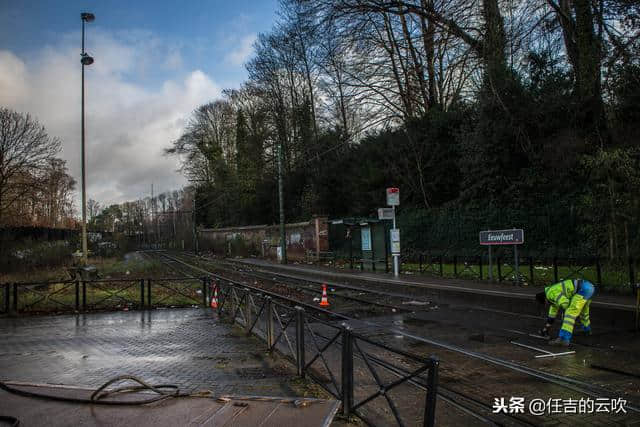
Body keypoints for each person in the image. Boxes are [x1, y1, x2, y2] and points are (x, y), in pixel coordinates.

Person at [535, 278, 595, 346]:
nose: (547, 305)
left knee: (570, 313)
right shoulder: (551, 298)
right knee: (584, 313)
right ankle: (586, 330)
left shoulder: (551, 293)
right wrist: (545, 329)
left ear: (545, 300)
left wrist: (564, 316)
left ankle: (563, 339)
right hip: (589, 287)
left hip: (582, 289)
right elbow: (551, 317)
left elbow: (566, 303)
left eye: (545, 304)